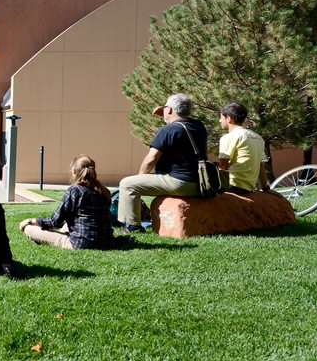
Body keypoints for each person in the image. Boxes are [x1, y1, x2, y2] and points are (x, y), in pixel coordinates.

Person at [117, 93, 207, 232]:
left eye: (165, 108)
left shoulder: (168, 130)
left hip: (180, 184)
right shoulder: (199, 127)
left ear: (169, 110)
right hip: (200, 184)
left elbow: (150, 160)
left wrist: (140, 178)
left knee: (127, 184)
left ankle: (133, 226)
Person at [20, 155, 113, 249]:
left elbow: (54, 221)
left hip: (82, 243)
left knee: (28, 228)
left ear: (74, 171)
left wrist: (30, 221)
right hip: (106, 241)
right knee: (65, 224)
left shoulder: (75, 190)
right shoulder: (103, 190)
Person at [218, 102, 271, 194]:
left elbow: (223, 166)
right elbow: (260, 165)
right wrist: (266, 188)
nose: (219, 121)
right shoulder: (258, 137)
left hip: (232, 185)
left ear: (229, 118)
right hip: (249, 186)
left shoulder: (229, 137)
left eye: (221, 117)